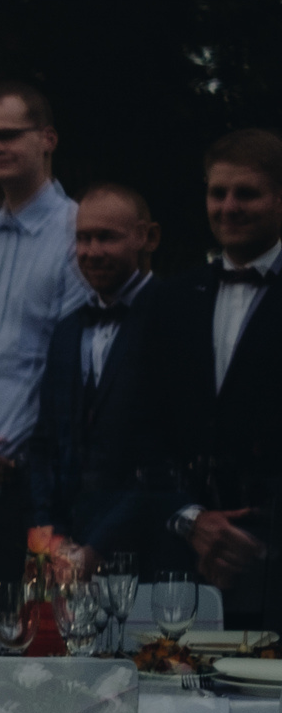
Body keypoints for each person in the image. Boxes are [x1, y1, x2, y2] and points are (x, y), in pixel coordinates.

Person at [129, 129, 282, 625]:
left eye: (247, 193)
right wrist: (193, 520)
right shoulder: (169, 300)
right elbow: (141, 428)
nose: (229, 206)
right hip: (178, 569)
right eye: (218, 193)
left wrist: (255, 535)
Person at [0, 82, 85, 608]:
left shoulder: (79, 232)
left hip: (36, 479)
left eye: (7, 135)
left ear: (48, 138)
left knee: (25, 650)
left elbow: (57, 367)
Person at [25, 185, 162, 574]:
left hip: (145, 551)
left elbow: (165, 457)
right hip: (65, 550)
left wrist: (99, 548)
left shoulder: (173, 317)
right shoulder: (67, 330)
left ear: (147, 237)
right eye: (83, 238)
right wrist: (49, 536)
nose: (92, 251)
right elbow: (44, 443)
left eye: (107, 237)